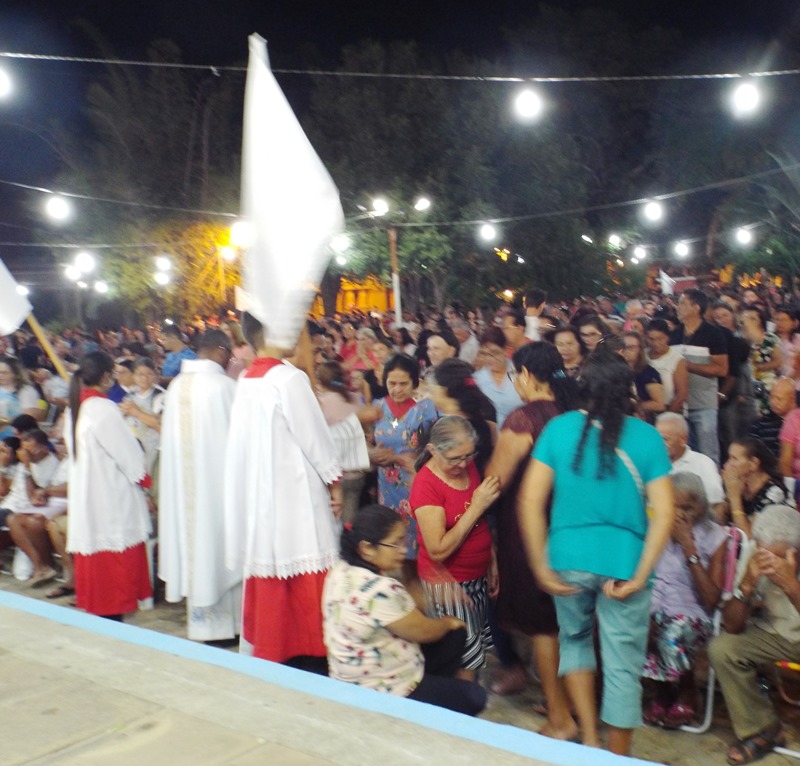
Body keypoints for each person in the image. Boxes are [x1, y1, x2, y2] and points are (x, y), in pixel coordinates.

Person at [518, 349, 674, 756]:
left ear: (581, 386)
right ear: (629, 391)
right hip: (624, 561)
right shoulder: (647, 437)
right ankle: (617, 757)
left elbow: (529, 501)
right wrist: (642, 574)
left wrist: (540, 565)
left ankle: (588, 741)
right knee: (623, 665)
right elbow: (665, 514)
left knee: (575, 642)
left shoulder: (559, 429)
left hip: (567, 557)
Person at [224, 313, 342, 663]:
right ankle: (310, 651)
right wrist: (334, 481)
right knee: (303, 557)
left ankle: (277, 649)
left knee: (276, 563)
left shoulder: (247, 379)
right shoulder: (289, 379)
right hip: (295, 493)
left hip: (264, 496)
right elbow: (315, 438)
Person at [483, 342, 579, 739]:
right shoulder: (571, 414)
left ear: (524, 375)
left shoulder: (524, 420)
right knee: (567, 624)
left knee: (544, 627)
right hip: (569, 526)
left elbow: (496, 480)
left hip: (529, 530)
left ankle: (560, 718)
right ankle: (569, 703)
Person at [322, 504, 486, 715]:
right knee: (474, 696)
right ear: (366, 548)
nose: (403, 549)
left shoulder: (339, 571)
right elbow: (425, 631)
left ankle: (434, 696)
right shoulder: (380, 590)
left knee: (455, 637)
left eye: (403, 540)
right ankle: (421, 712)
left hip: (352, 674)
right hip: (381, 688)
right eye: (395, 543)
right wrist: (448, 621)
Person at [158, 329, 242, 642]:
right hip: (218, 489)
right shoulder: (224, 387)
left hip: (186, 492)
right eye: (230, 353)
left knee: (199, 548)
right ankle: (229, 627)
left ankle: (205, 626)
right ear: (221, 350)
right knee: (219, 547)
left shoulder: (177, 386)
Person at [409, 415, 500, 680]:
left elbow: (478, 524)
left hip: (476, 576)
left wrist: (491, 560)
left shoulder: (466, 466)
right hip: (449, 582)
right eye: (455, 459)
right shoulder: (427, 486)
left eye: (469, 456)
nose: (463, 464)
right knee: (462, 657)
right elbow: (437, 549)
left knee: (475, 652)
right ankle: (461, 712)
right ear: (433, 451)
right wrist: (478, 505)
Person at [708, 504, 800, 765]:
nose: (768, 562)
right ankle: (763, 730)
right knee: (723, 649)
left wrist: (792, 586)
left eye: (777, 557)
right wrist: (747, 585)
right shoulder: (755, 553)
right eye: (763, 553)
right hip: (773, 634)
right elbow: (732, 625)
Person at [65, 351, 153, 620]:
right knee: (114, 576)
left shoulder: (74, 409)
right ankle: (113, 617)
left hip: (89, 494)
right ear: (105, 377)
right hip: (109, 497)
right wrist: (145, 480)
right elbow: (127, 454)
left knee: (100, 573)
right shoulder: (103, 409)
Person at [642, 472, 726, 729]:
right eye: (673, 506)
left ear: (702, 506)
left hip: (693, 614)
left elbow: (711, 599)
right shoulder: (655, 528)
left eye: (687, 507)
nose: (679, 514)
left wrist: (689, 547)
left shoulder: (717, 536)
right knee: (636, 624)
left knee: (672, 633)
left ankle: (687, 691)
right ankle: (663, 691)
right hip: (654, 605)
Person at [370, 354, 438, 558]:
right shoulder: (377, 407)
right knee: (395, 545)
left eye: (403, 383)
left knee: (420, 546)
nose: (397, 389)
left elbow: (435, 447)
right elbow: (365, 441)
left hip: (415, 482)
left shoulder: (426, 409)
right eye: (392, 383)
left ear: (414, 383)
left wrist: (406, 459)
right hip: (387, 486)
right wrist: (373, 454)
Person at [671, 289, 729, 466]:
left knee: (708, 454)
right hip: (681, 405)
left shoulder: (713, 333)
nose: (678, 307)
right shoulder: (675, 334)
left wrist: (688, 366)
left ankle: (712, 490)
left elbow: (722, 369)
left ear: (696, 307)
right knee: (685, 455)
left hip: (704, 404)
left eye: (682, 303)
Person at [316, 360, 371, 525]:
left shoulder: (321, 402)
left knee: (334, 522)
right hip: (357, 469)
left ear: (321, 381)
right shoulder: (354, 398)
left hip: (335, 472)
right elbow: (366, 429)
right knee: (350, 520)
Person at [655, 412, 726, 520]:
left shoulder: (703, 463)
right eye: (656, 438)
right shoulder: (650, 463)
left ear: (683, 439)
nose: (659, 444)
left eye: (665, 439)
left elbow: (715, 504)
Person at [723, 436, 792, 538]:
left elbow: (749, 538)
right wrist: (728, 496)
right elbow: (720, 522)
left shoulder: (774, 493)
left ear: (754, 464)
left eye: (734, 459)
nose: (727, 465)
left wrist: (734, 498)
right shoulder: (739, 485)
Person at [119, 357, 164, 475]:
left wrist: (136, 412)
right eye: (139, 374)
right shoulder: (130, 395)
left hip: (154, 448)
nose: (144, 378)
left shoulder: (160, 396)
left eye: (149, 374)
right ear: (133, 376)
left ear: (155, 375)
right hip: (134, 446)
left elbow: (161, 426)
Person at [473, 327, 522, 428]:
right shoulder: (477, 379)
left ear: (505, 350)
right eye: (485, 354)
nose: (490, 359)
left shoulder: (521, 374)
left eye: (495, 353)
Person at [740, 305, 782, 417]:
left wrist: (760, 367)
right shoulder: (741, 339)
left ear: (760, 321)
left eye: (753, 318)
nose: (749, 322)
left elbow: (778, 361)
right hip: (746, 384)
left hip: (767, 383)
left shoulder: (770, 338)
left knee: (766, 415)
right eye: (747, 318)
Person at [646, 319, 688, 414]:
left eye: (660, 339)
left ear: (667, 338)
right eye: (651, 339)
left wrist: (668, 415)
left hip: (670, 411)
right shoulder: (643, 356)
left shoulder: (676, 359)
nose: (656, 343)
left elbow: (681, 394)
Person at [622, 331, 665, 421]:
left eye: (631, 347)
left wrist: (636, 406)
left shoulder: (648, 373)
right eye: (623, 347)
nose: (626, 350)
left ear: (640, 350)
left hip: (642, 419)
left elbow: (659, 404)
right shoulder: (613, 370)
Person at [749, 376, 796, 458]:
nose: (773, 402)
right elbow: (750, 450)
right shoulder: (759, 424)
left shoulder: (797, 423)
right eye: (771, 397)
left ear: (792, 400)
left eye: (779, 399)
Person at [0, 356, 45, 438]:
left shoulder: (26, 391)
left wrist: (5, 421)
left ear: (15, 374)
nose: (1, 375)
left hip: (16, 437)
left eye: (4, 373)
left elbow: (29, 417)